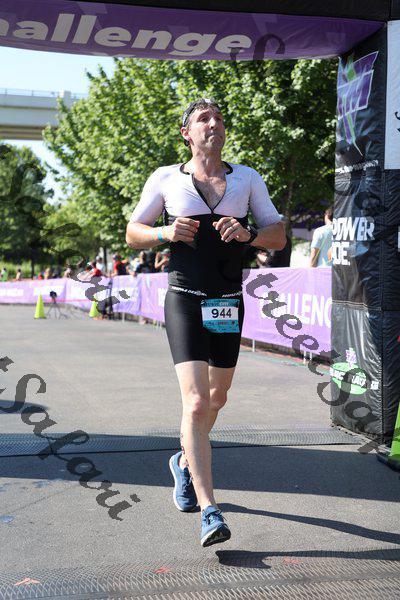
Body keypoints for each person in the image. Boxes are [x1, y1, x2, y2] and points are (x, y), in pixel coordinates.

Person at [125, 98, 285, 547]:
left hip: (227, 302)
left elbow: (277, 234)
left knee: (218, 397)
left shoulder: (246, 178)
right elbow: (133, 232)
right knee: (195, 403)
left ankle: (183, 462)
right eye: (203, 119)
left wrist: (250, 234)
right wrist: (164, 232)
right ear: (187, 133)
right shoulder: (166, 178)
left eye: (218, 119)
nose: (213, 124)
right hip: (185, 299)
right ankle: (210, 510)